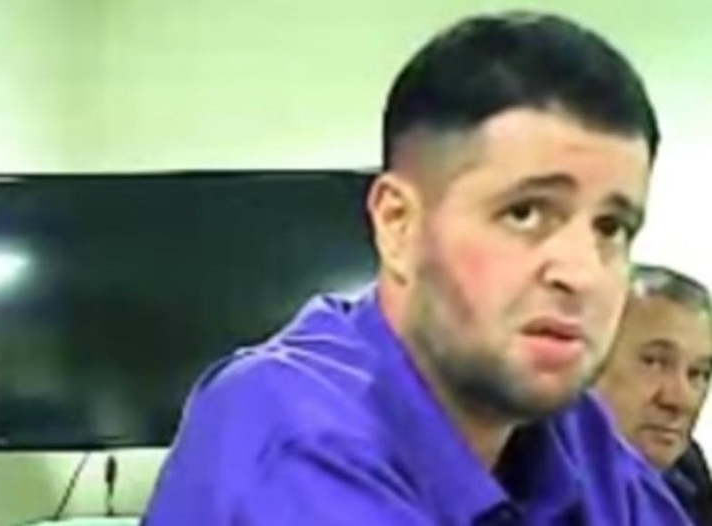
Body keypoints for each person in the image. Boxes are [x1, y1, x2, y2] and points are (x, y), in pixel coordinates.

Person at [143, 11, 692, 525]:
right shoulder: (293, 436)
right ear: (398, 225)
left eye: (611, 227)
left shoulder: (573, 432)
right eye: (525, 213)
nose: (583, 274)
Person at [596, 264, 712, 525]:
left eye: (697, 374)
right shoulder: (536, 481)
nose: (680, 401)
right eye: (654, 362)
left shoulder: (688, 478)